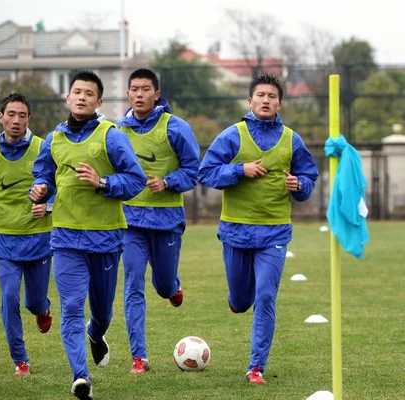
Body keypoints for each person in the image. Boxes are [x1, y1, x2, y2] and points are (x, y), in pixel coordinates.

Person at [29, 70, 147, 400]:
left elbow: (136, 180)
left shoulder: (111, 135)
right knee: (70, 308)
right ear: (67, 98)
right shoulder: (54, 139)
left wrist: (104, 183)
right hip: (66, 238)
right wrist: (39, 189)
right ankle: (81, 377)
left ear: (99, 102)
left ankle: (96, 334)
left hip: (106, 238)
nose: (81, 97)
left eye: (88, 93)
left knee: (103, 312)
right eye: (76, 92)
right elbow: (43, 175)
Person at [197, 74, 319, 384]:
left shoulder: (292, 139)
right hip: (236, 231)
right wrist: (240, 170)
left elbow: (308, 180)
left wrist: (299, 185)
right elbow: (206, 173)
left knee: (265, 296)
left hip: (274, 234)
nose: (266, 100)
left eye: (272, 96)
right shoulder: (232, 135)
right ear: (250, 101)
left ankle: (256, 367)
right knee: (241, 302)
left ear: (280, 103)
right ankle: (237, 299)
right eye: (260, 95)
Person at [116, 68, 200, 374]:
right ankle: (139, 357)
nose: (139, 94)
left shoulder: (176, 128)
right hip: (130, 223)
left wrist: (167, 181)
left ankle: (173, 287)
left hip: (166, 221)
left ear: (157, 94)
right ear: (128, 94)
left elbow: (194, 170)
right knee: (132, 284)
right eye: (134, 89)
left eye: (145, 89)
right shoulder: (116, 132)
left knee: (163, 286)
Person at [0, 93, 53, 376]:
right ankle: (21, 360)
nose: (16, 121)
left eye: (22, 115)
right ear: (1, 117)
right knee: (8, 298)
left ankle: (43, 310)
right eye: (11, 115)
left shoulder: (44, 148)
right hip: (4, 240)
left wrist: (48, 205)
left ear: (29, 119)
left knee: (34, 302)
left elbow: (60, 186)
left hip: (39, 239)